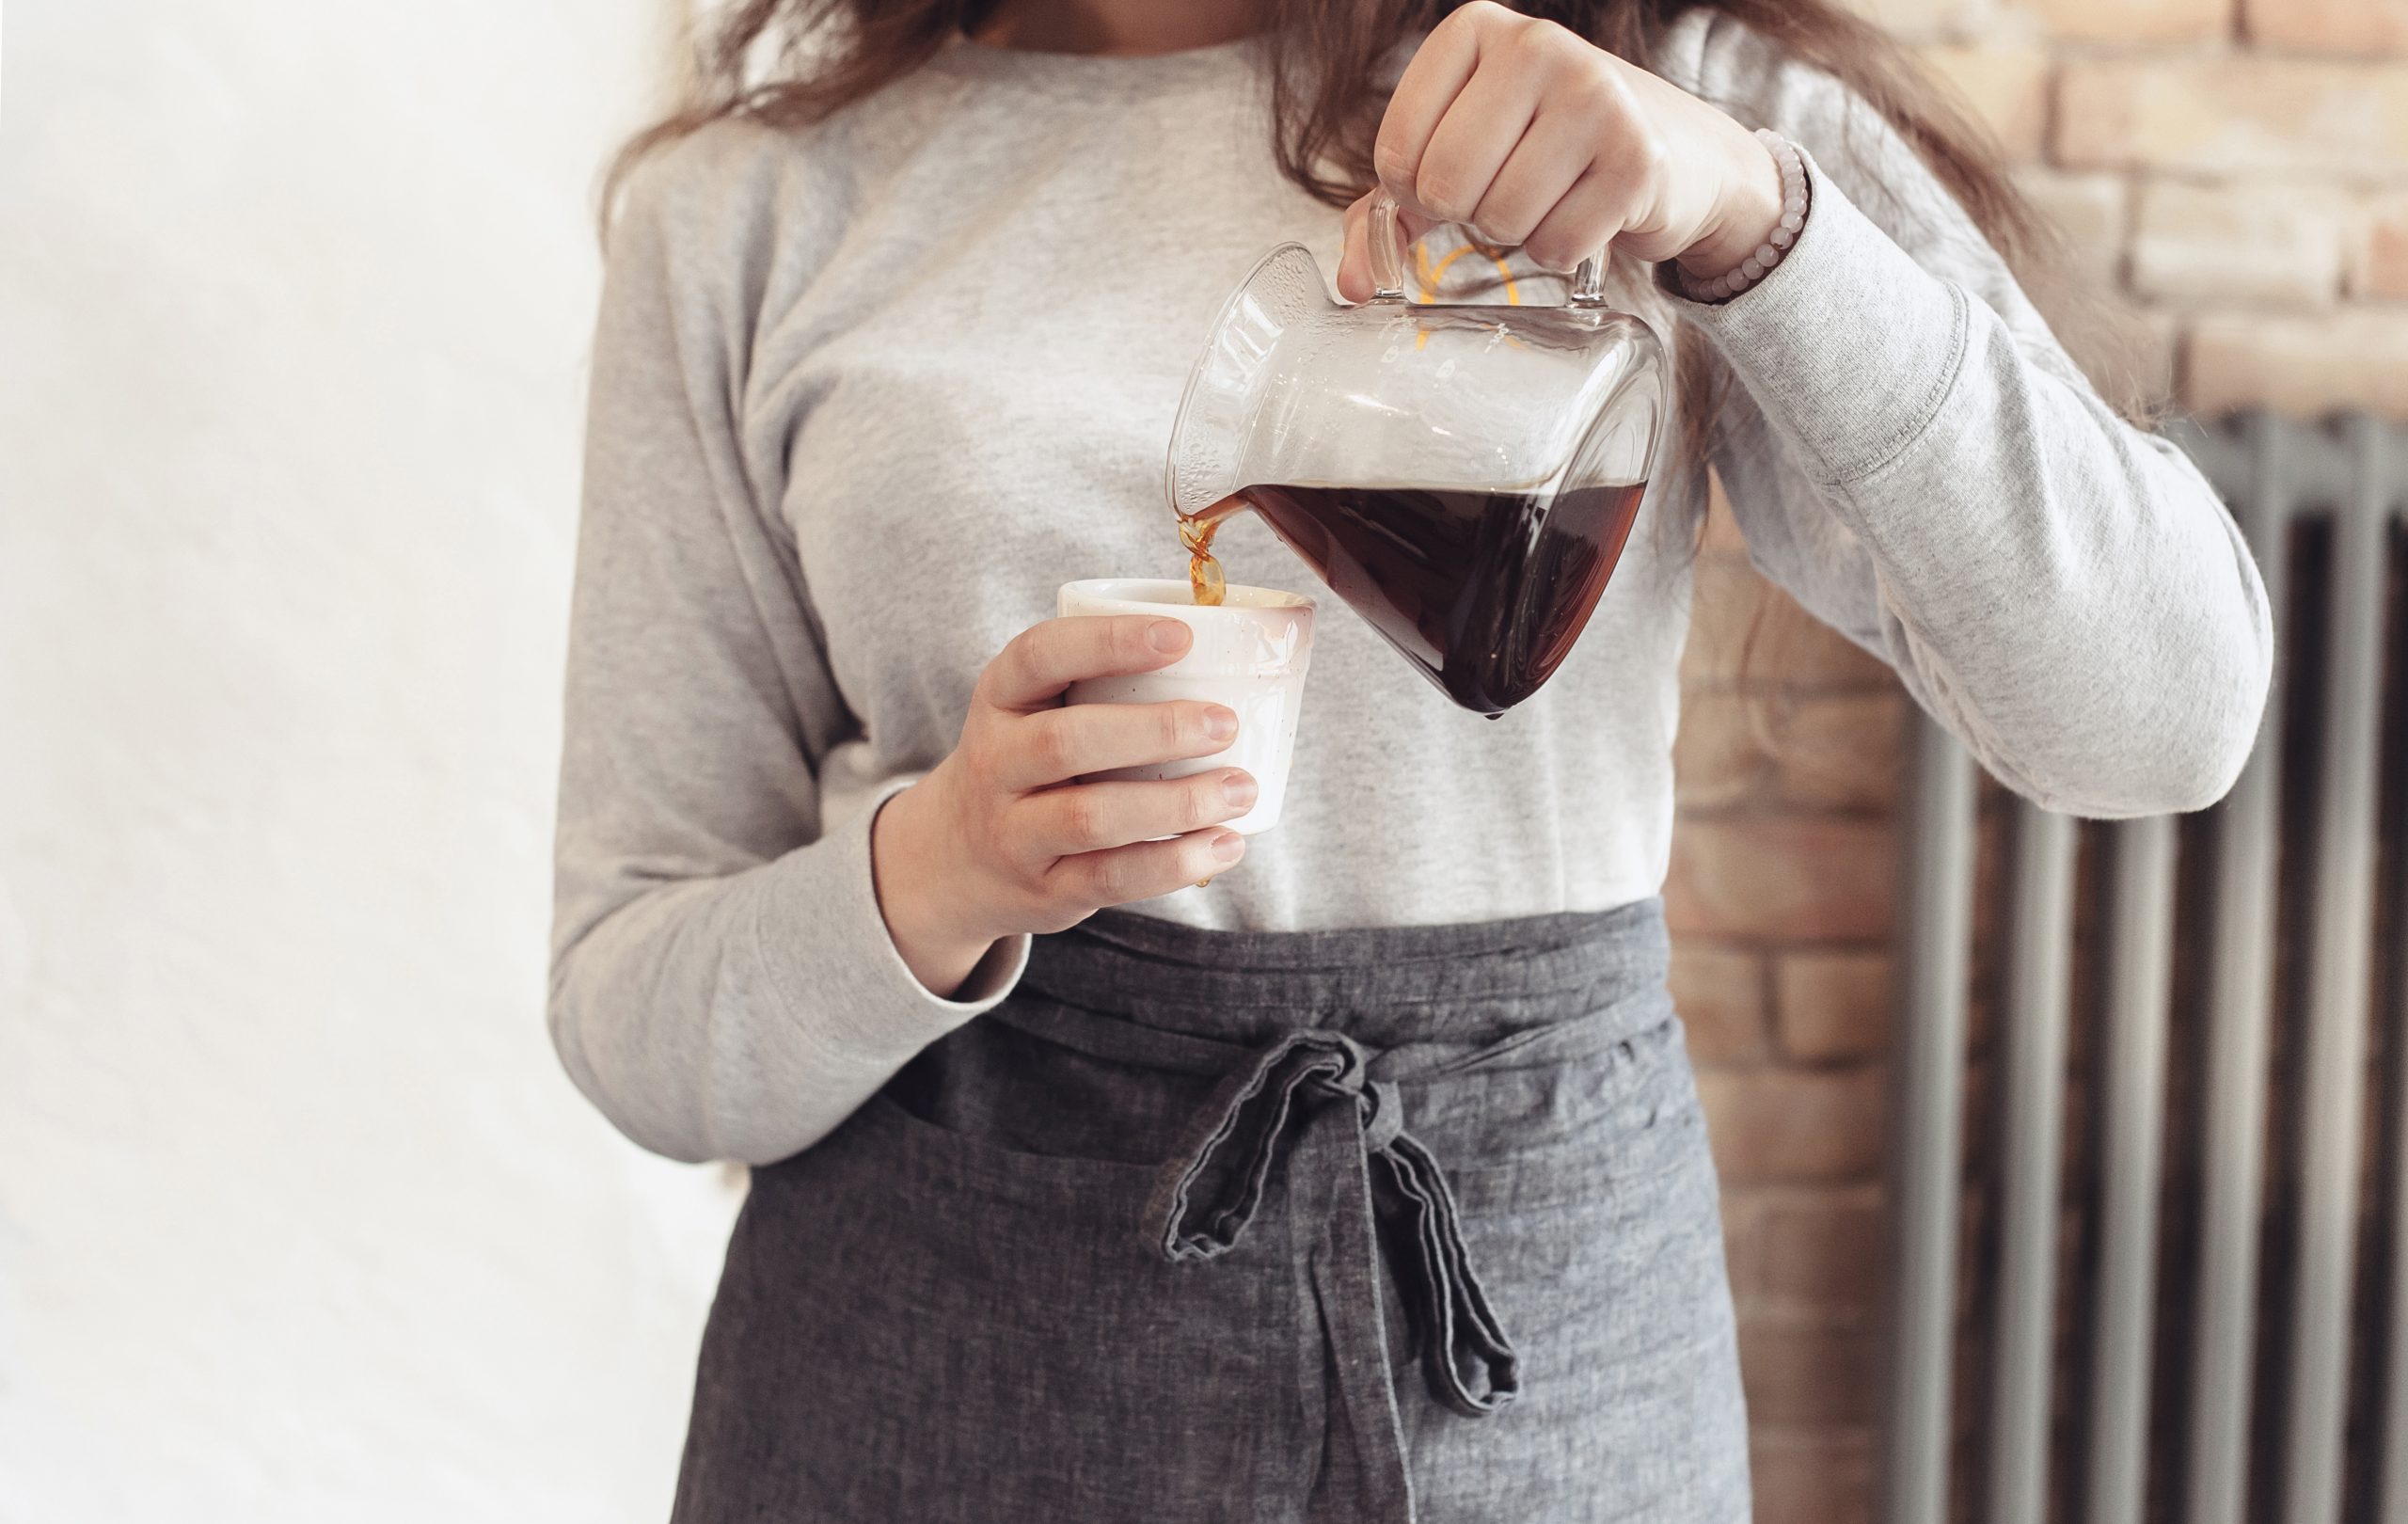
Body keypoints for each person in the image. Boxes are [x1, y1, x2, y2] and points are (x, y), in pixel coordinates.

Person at [547, 0, 2272, 1517]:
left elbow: (2162, 716)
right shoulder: (748, 212)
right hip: (924, 1363)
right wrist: (945, 871)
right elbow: (638, 1013)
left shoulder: (1642, 95)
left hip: (1543, 1327)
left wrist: (1753, 217)